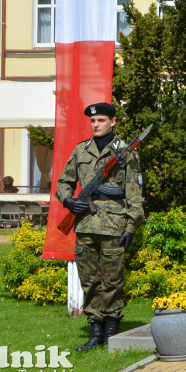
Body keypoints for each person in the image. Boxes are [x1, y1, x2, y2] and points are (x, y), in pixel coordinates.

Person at [56, 102, 144, 351]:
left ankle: (112, 331)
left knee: (112, 281)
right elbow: (64, 181)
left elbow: (134, 195)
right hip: (85, 226)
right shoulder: (81, 150)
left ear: (113, 122)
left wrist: (130, 228)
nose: (96, 125)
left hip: (114, 227)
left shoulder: (126, 153)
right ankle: (96, 329)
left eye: (101, 120)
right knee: (89, 280)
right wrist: (69, 200)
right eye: (93, 121)